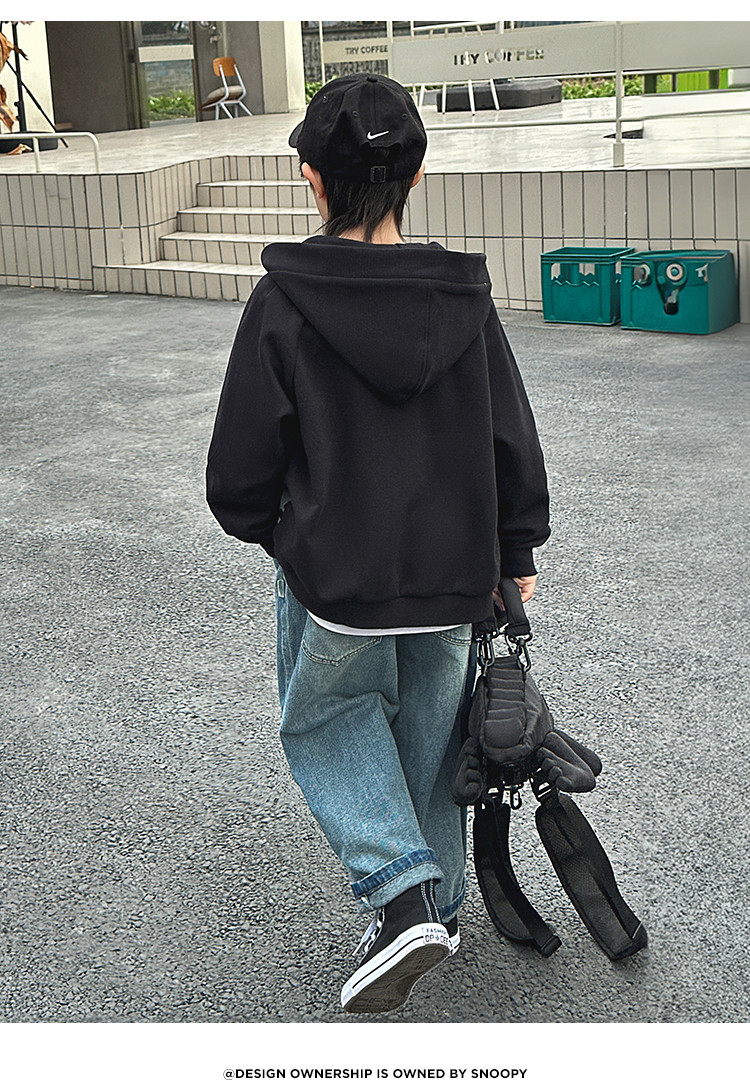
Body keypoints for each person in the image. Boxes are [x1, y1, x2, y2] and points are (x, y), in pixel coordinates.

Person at [205, 72, 550, 1015]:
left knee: (326, 718)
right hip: (453, 575)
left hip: (337, 576)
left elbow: (240, 468)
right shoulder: (463, 299)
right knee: (431, 742)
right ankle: (434, 906)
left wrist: (277, 531)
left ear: (312, 179)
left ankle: (400, 899)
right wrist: (516, 550)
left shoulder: (285, 301)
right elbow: (510, 432)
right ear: (418, 176)